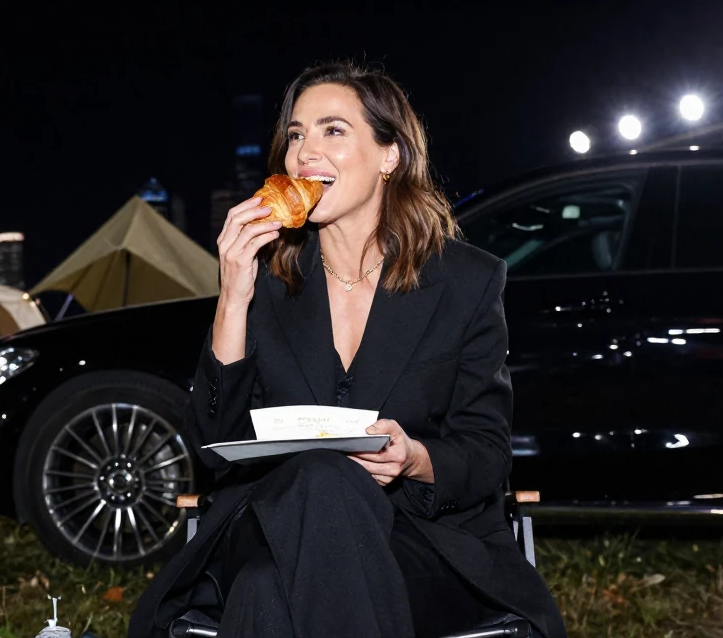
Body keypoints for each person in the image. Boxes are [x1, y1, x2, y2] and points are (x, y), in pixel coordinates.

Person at [130, 62, 566, 638]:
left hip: (418, 539)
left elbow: (485, 452)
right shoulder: (264, 280)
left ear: (391, 155)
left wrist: (413, 458)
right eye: (295, 135)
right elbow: (214, 446)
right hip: (268, 521)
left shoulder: (465, 282)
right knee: (318, 477)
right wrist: (232, 296)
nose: (304, 152)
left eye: (332, 130)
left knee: (265, 590)